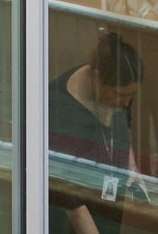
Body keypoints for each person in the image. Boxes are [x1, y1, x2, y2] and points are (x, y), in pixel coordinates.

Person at [47, 31, 145, 234]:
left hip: (108, 201)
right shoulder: (62, 113)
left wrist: (132, 167)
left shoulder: (117, 89)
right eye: (120, 94)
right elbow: (72, 204)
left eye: (131, 95)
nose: (126, 102)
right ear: (96, 78)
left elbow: (124, 125)